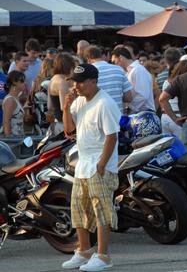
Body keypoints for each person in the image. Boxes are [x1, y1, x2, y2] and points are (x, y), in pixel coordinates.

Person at [62, 64, 120, 271]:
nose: (76, 86)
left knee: (101, 210)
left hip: (99, 165)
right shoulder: (79, 101)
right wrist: (66, 108)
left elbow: (112, 136)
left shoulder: (104, 103)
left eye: (80, 81)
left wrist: (102, 164)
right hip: (83, 165)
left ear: (93, 81)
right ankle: (84, 250)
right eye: (74, 81)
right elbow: (69, 131)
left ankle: (103, 256)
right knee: (78, 209)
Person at [85, 45, 132, 113]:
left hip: (97, 117)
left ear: (88, 59)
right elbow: (129, 97)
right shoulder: (118, 69)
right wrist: (116, 96)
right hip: (117, 117)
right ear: (101, 55)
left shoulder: (87, 72)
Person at [111, 46, 155, 113]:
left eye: (114, 62)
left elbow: (143, 95)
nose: (114, 65)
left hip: (143, 114)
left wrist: (130, 109)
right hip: (139, 114)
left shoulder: (138, 70)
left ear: (121, 58)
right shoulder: (131, 71)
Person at [161, 60, 187, 137]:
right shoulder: (184, 83)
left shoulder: (166, 82)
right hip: (178, 117)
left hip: (164, 117)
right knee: (183, 146)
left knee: (169, 147)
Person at [48, 53, 76, 133]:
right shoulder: (62, 82)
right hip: (64, 125)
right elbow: (64, 107)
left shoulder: (52, 79)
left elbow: (49, 106)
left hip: (56, 123)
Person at [1, 71, 25, 137]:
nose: (24, 83)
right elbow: (6, 122)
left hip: (18, 138)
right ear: (14, 82)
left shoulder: (16, 98)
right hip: (13, 142)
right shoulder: (10, 100)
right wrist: (9, 140)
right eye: (22, 81)